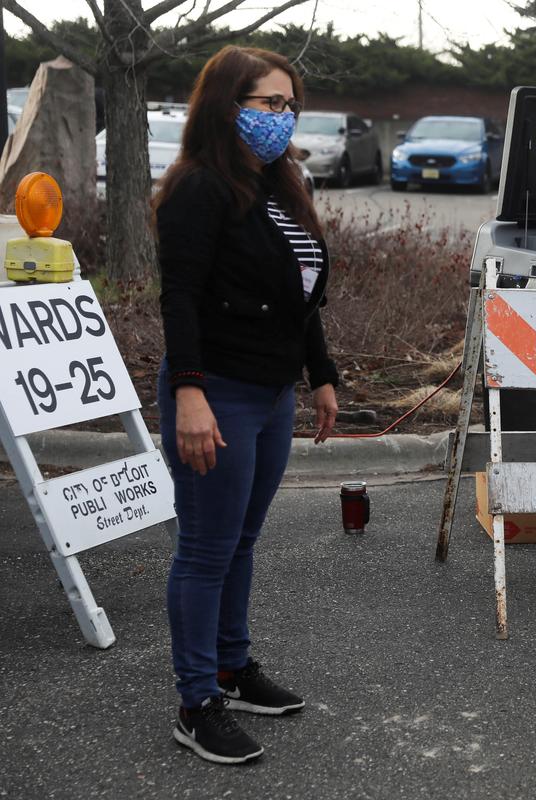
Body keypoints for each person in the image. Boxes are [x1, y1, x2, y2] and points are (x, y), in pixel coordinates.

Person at [152, 45, 339, 765]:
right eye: (268, 103)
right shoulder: (199, 187)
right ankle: (196, 701)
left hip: (268, 394)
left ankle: (233, 665)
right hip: (217, 392)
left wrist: (320, 373)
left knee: (242, 540)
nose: (281, 117)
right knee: (205, 549)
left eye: (290, 105)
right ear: (227, 105)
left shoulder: (280, 185)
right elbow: (181, 296)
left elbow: (301, 295)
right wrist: (189, 391)